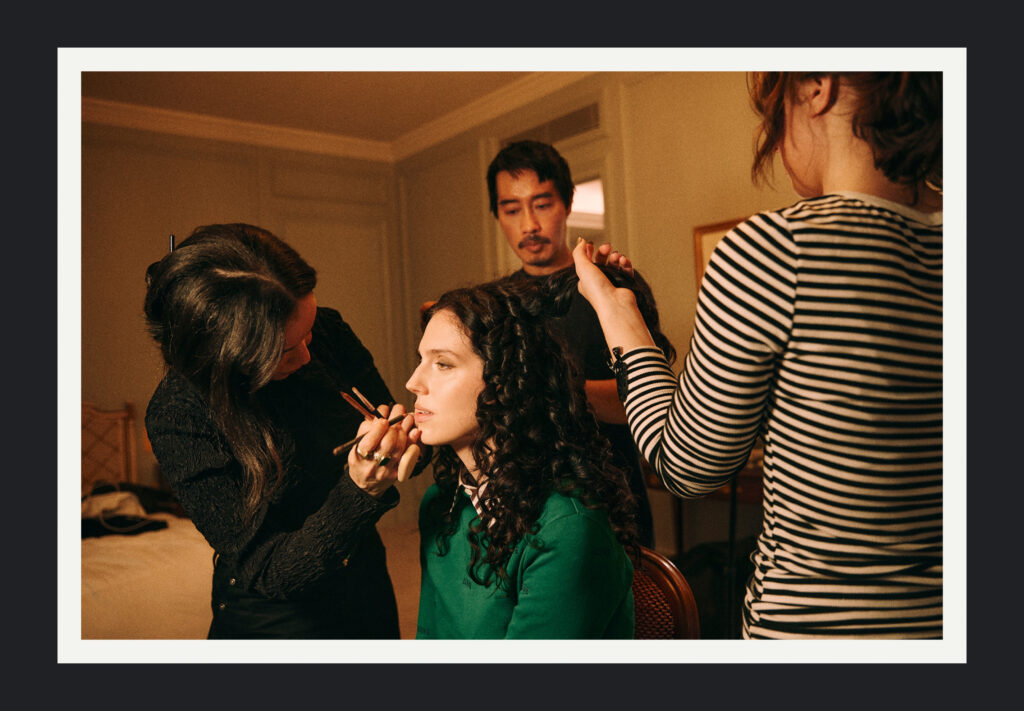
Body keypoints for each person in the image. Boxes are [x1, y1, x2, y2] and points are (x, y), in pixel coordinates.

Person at [572, 72, 943, 639]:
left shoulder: (777, 249)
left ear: (818, 86)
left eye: (773, 113)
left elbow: (688, 464)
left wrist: (618, 315)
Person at [143, 223, 421, 639]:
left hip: (363, 576)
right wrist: (360, 490)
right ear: (229, 355)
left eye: (309, 332)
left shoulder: (327, 332)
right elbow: (271, 570)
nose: (310, 354)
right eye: (288, 350)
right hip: (273, 615)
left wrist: (405, 441)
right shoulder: (179, 416)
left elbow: (400, 439)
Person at [410, 277, 639, 639]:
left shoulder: (567, 530)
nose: (413, 382)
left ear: (504, 382)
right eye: (421, 360)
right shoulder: (441, 504)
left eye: (444, 364)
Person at [484, 139, 674, 548]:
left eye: (542, 203)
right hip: (527, 506)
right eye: (512, 209)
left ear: (568, 203)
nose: (529, 224)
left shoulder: (609, 289)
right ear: (497, 214)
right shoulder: (492, 307)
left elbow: (648, 403)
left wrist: (547, 389)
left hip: (615, 503)